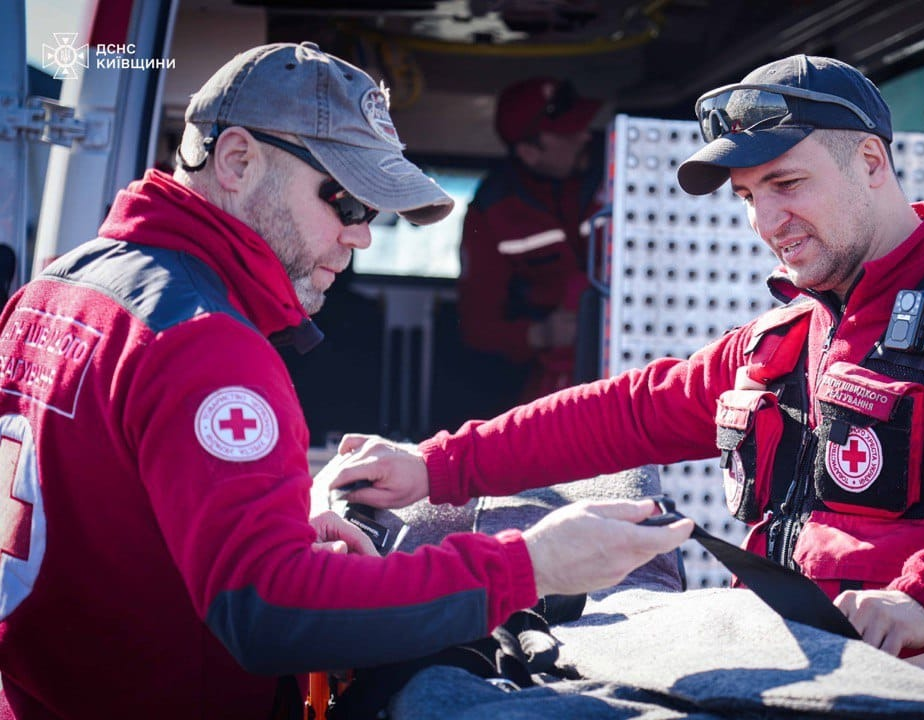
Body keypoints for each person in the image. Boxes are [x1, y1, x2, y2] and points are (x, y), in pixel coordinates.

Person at [326, 54, 924, 714]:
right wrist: (433, 467)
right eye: (749, 196)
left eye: (787, 184)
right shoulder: (790, 338)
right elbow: (626, 413)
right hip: (805, 683)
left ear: (871, 162)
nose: (765, 222)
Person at [0, 42, 691, 719]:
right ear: (237, 160)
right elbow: (270, 612)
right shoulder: (206, 344)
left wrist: (284, 533)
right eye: (347, 203)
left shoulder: (54, 289)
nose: (362, 236)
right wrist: (532, 565)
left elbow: (111, 526)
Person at [456, 76, 605, 409]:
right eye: (568, 133)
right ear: (529, 152)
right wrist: (541, 334)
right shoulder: (493, 211)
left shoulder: (621, 170)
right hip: (547, 372)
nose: (585, 136)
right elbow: (477, 328)